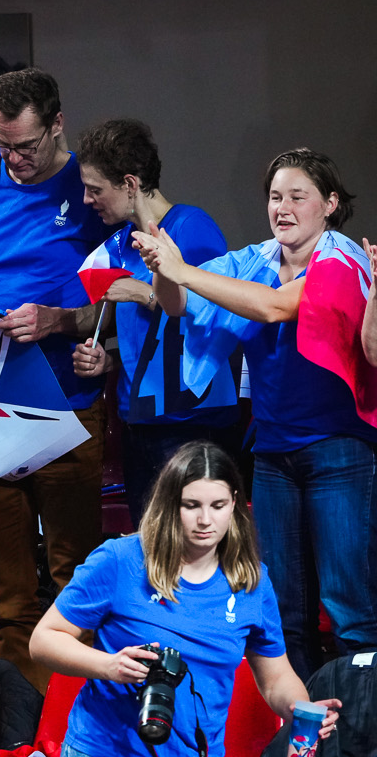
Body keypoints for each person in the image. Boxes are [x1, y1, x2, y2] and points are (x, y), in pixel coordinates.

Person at [30, 441, 338, 757]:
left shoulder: (250, 581)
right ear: (169, 504)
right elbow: (45, 639)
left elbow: (276, 675)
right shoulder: (122, 561)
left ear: (236, 505)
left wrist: (301, 709)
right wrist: (106, 665)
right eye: (191, 505)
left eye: (217, 506)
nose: (204, 520)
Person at [134, 148, 376, 677]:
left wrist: (183, 271)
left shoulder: (341, 260)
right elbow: (178, 303)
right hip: (273, 453)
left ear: (330, 204)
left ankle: (363, 743)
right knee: (283, 611)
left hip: (339, 450)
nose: (282, 208)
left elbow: (272, 306)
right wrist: (163, 268)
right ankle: (306, 735)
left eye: (297, 197)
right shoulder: (256, 260)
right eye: (274, 197)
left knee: (350, 609)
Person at [0, 68, 111, 692]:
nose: (13, 160)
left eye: (26, 147)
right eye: (2, 145)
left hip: (69, 397)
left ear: (57, 123)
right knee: (6, 584)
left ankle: (76, 719)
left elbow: (121, 301)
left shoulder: (90, 189)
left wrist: (59, 319)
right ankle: (22, 726)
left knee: (76, 576)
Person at [71, 121, 240, 516]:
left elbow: (212, 313)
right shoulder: (119, 244)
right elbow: (147, 341)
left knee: (191, 551)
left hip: (192, 422)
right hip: (139, 420)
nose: (85, 199)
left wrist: (141, 293)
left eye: (95, 189)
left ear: (130, 184)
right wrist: (108, 361)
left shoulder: (191, 228)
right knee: (151, 554)